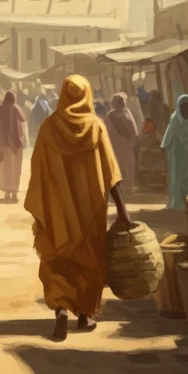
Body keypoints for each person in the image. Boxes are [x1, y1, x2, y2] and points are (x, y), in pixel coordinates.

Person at [25, 75, 132, 341]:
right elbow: (110, 172)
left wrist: (43, 206)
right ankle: (84, 315)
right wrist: (122, 209)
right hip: (90, 210)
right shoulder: (95, 127)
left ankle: (61, 308)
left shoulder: (49, 128)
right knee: (89, 259)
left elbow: (37, 169)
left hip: (57, 209)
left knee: (58, 258)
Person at [0, 90, 27, 202]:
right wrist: (24, 141)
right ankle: (14, 193)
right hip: (16, 145)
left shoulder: (0, 109)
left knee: (5, 168)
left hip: (3, 144)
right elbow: (23, 127)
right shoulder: (18, 110)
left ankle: (7, 193)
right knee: (16, 169)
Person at [105, 93, 139, 191]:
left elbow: (133, 129)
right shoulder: (111, 116)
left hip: (124, 145)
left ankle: (127, 185)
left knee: (127, 164)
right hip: (118, 145)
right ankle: (124, 185)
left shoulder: (113, 115)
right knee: (123, 164)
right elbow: (133, 130)